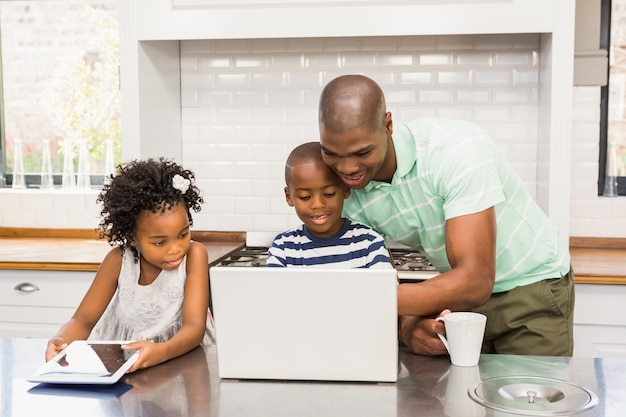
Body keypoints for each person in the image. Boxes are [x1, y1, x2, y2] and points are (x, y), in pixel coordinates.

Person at [318, 74, 574, 356]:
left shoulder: (455, 151)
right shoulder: (344, 191)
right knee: (458, 398)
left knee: (526, 399)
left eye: (362, 152)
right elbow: (383, 279)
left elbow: (475, 281)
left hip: (531, 287)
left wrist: (358, 297)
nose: (347, 169)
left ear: (388, 125)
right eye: (331, 153)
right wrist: (406, 326)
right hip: (456, 300)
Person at [45, 158, 210, 372]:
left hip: (180, 363)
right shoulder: (117, 261)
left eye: (183, 234)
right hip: (124, 366)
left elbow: (195, 327)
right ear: (132, 237)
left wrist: (162, 351)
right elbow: (83, 320)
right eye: (160, 242)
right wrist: (61, 341)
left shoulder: (195, 255)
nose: (176, 248)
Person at [267, 141, 392, 268]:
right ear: (289, 197)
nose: (318, 204)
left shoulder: (369, 243)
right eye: (305, 197)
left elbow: (384, 288)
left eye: (329, 194)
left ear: (346, 190)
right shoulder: (283, 248)